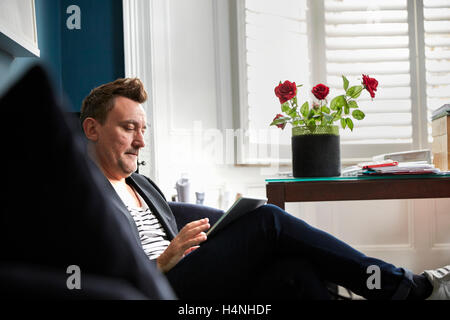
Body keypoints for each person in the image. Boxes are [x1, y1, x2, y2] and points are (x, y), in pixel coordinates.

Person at [80, 77, 450, 300]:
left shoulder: (142, 184)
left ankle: (397, 290)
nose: (140, 141)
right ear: (92, 129)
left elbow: (179, 225)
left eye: (143, 130)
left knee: (293, 270)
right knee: (270, 221)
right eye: (129, 128)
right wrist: (164, 260)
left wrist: (213, 233)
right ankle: (404, 288)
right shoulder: (82, 199)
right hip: (161, 288)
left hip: (188, 272)